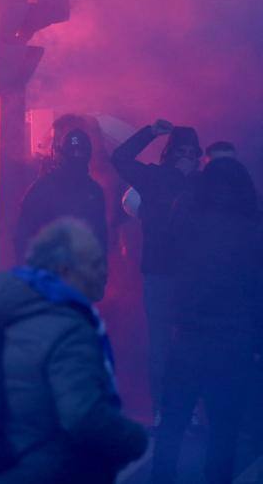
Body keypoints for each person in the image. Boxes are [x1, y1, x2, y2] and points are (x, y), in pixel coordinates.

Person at [0, 218, 148, 482]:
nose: (103, 273)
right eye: (94, 264)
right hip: (47, 470)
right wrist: (134, 439)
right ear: (66, 270)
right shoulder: (71, 328)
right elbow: (82, 415)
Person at [151, 158, 263, 484]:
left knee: (173, 423)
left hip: (189, 337)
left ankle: (161, 479)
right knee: (224, 429)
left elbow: (163, 260)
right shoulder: (254, 229)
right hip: (234, 341)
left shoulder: (188, 224)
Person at [111, 119, 201, 420]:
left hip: (187, 275)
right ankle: (165, 411)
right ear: (172, 154)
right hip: (164, 274)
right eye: (182, 152)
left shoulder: (199, 183)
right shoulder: (159, 179)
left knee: (184, 343)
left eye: (192, 152)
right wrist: (148, 132)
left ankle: (185, 410)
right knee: (163, 343)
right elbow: (120, 158)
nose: (187, 157)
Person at [14, 129, 108, 261]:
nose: (77, 157)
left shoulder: (43, 186)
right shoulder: (93, 190)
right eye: (74, 153)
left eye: (80, 152)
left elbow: (100, 234)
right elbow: (24, 232)